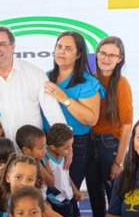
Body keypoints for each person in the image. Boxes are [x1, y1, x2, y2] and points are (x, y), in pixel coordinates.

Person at [0, 25, 66, 154]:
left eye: (1, 44)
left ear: (12, 46)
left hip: (32, 156)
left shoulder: (35, 74)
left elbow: (53, 112)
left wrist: (65, 146)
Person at [44, 31, 103, 197]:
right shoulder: (45, 77)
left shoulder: (87, 82)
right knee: (49, 196)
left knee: (67, 195)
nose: (61, 51)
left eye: (68, 48)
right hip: (47, 144)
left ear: (78, 55)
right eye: (59, 47)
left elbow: (91, 119)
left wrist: (65, 99)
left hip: (75, 144)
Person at [87, 36, 134, 217]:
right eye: (103, 53)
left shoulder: (122, 83)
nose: (106, 58)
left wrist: (119, 161)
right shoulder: (89, 81)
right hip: (90, 142)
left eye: (112, 55)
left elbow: (127, 124)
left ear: (120, 59)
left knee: (115, 196)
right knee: (95, 195)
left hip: (110, 145)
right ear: (96, 55)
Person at [44, 123, 82, 217]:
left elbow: (66, 175)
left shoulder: (64, 155)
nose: (70, 150)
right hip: (55, 204)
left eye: (71, 145)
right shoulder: (45, 160)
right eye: (66, 147)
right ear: (52, 147)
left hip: (69, 199)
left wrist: (74, 190)